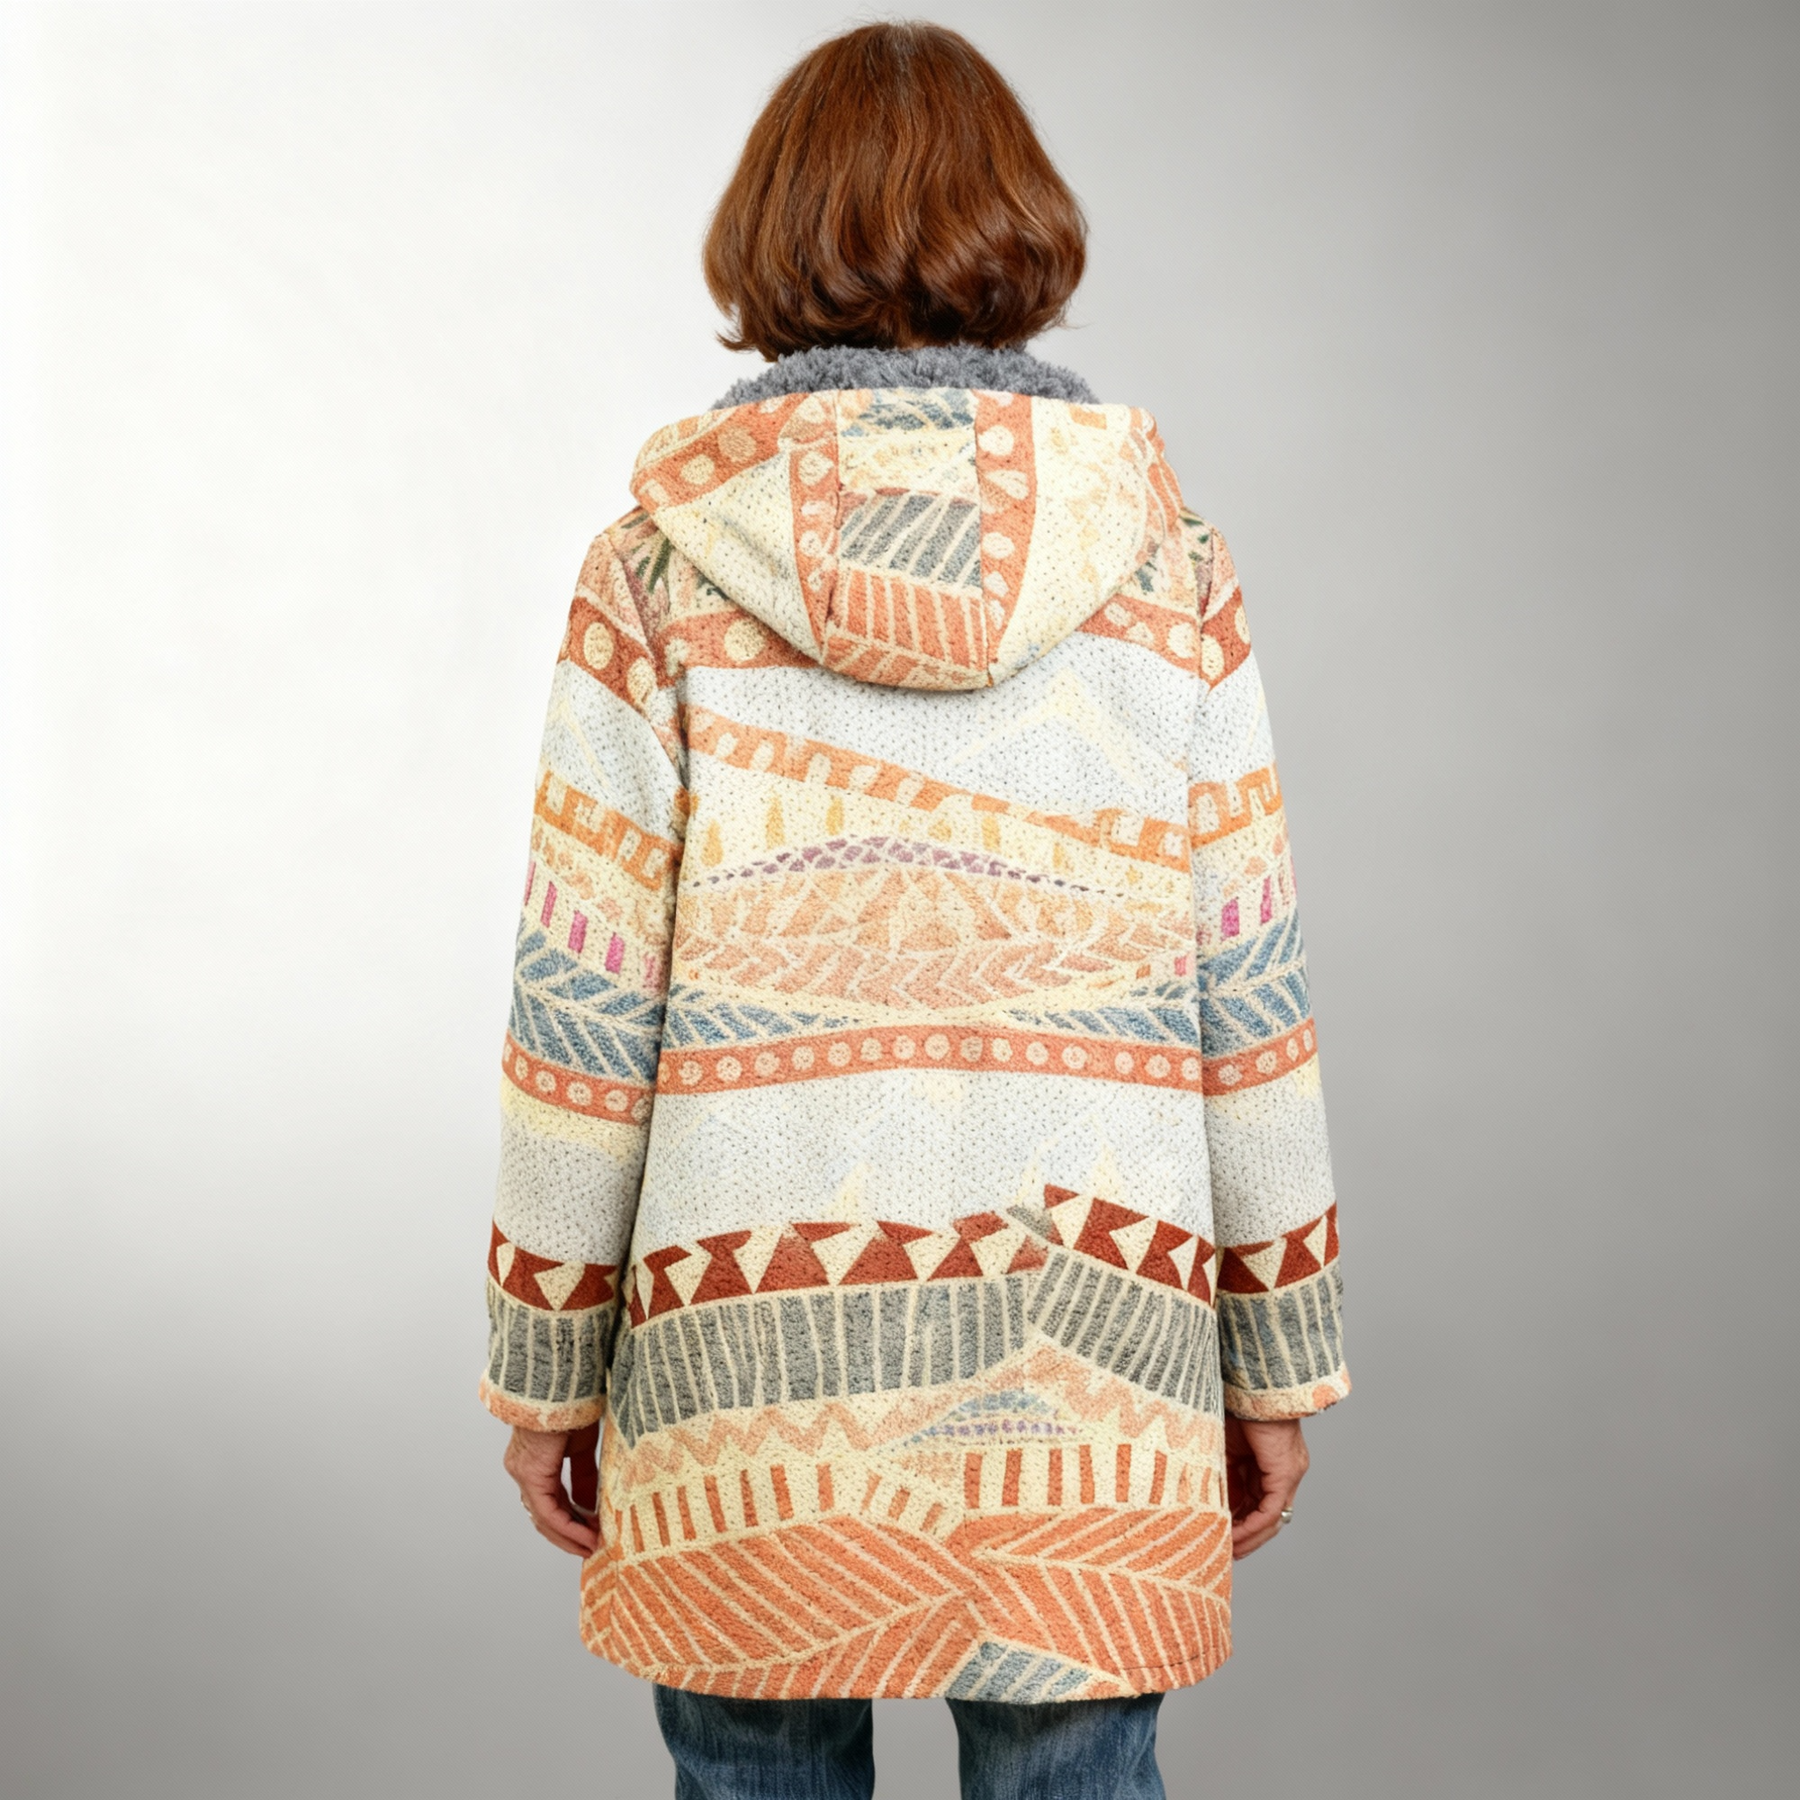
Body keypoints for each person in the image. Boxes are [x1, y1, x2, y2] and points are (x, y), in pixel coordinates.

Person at [481, 21, 1347, 1798]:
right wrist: (1273, 1349)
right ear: (1017, 226)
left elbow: (585, 1001)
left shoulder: (657, 570)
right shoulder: (1164, 565)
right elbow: (1243, 989)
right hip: (1091, 1349)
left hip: (743, 1359)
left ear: (769, 233)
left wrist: (550, 1364)